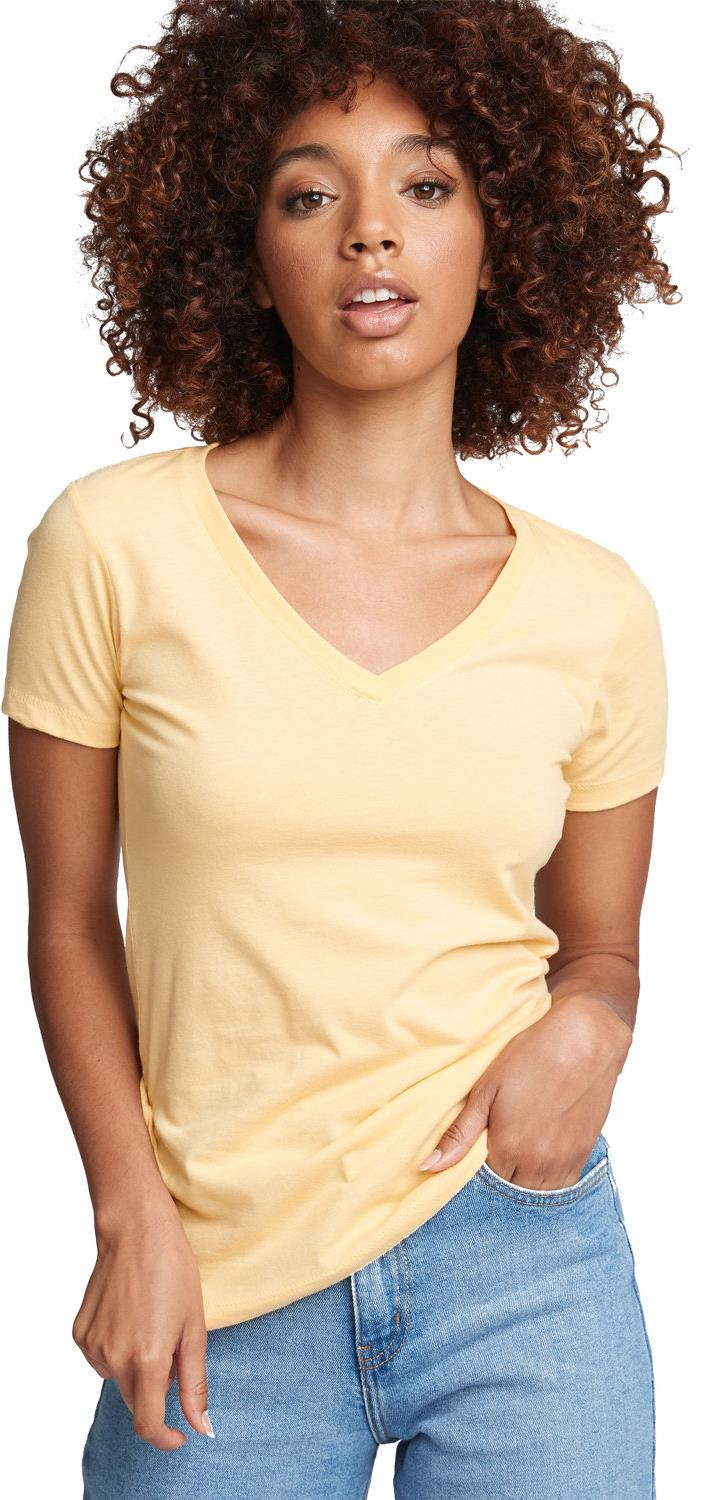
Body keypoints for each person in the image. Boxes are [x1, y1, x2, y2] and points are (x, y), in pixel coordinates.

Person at [2, 2, 678, 1495]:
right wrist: (129, 1215)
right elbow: (68, 921)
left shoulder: (597, 609)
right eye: (311, 194)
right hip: (215, 1279)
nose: (372, 231)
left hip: (523, 1252)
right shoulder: (113, 546)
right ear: (247, 256)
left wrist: (593, 1029)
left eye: (426, 186)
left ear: (503, 242)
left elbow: (601, 950)